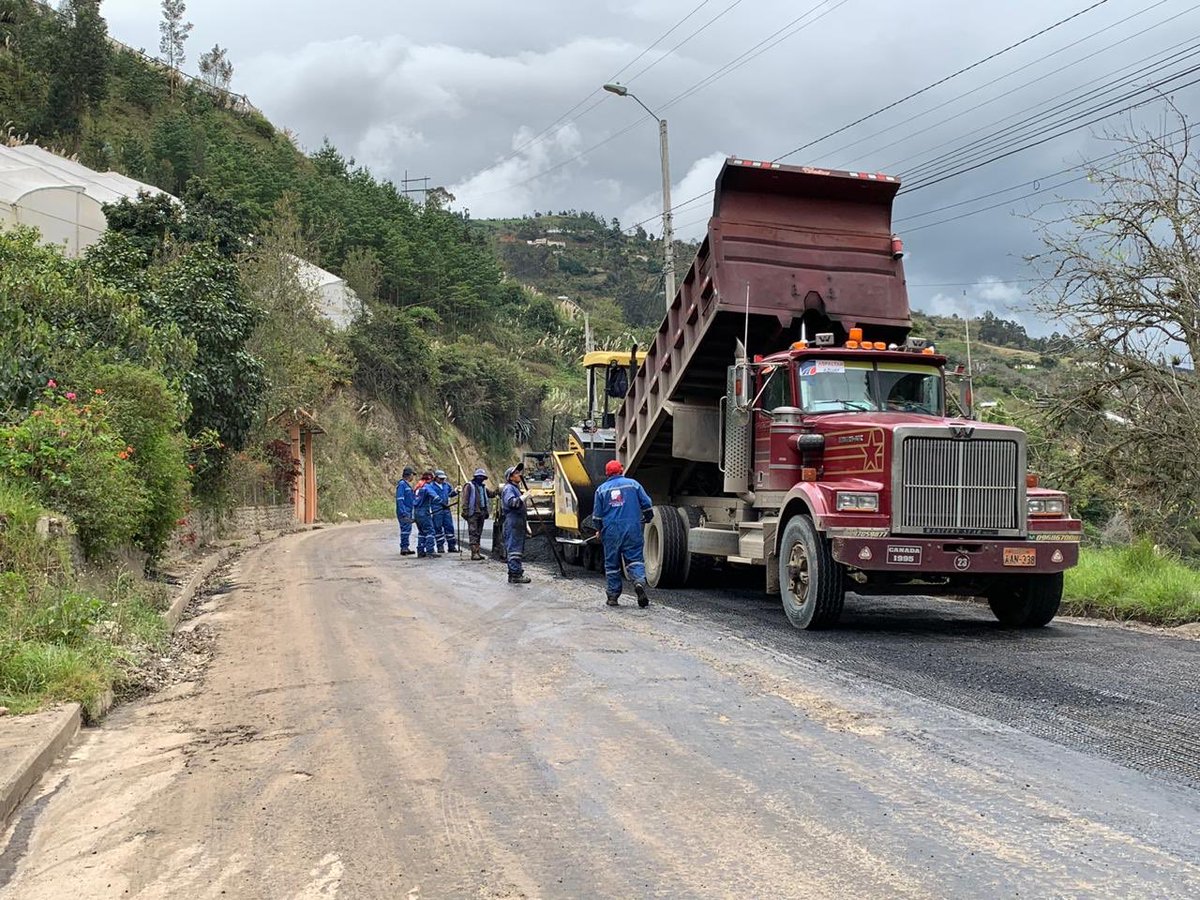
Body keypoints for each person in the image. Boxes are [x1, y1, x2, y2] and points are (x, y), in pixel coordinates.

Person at [593, 459, 653, 608]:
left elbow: (597, 515)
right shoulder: (633, 484)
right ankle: (639, 582)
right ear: (621, 470)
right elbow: (647, 503)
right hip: (632, 527)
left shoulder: (601, 490)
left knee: (612, 564)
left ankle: (613, 596)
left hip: (611, 530)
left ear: (607, 474)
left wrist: (598, 529)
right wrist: (648, 517)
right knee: (634, 559)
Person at [500, 464, 530, 584]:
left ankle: (516, 572)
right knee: (514, 549)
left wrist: (526, 524)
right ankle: (515, 575)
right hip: (513, 521)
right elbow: (512, 503)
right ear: (510, 477)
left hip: (518, 521)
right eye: (516, 473)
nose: (519, 475)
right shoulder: (509, 489)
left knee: (517, 548)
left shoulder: (515, 488)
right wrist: (524, 497)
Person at [462, 468, 494, 561]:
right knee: (473, 532)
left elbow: (491, 494)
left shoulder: (483, 487)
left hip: (482, 512)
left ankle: (477, 552)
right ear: (475, 477)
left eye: (482, 477)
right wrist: (465, 511)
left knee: (479, 533)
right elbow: (465, 499)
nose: (481, 478)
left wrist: (499, 490)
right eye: (479, 476)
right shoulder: (469, 486)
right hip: (473, 512)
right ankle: (474, 553)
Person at [413, 469, 440, 559]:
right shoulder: (426, 486)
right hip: (424, 512)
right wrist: (442, 503)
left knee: (421, 532)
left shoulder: (418, 485)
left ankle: (420, 551)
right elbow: (435, 497)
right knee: (430, 531)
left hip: (416, 511)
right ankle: (430, 550)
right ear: (430, 479)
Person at [431, 469, 459, 554]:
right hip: (437, 509)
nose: (442, 480)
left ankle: (452, 546)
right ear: (436, 478)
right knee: (438, 527)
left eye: (443, 478)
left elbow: (450, 494)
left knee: (449, 527)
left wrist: (456, 491)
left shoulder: (446, 485)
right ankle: (440, 546)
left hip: (446, 509)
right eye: (440, 478)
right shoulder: (431, 486)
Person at [395, 466, 416, 556]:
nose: (413, 477)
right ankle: (404, 547)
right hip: (404, 511)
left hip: (408, 510)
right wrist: (403, 512)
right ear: (409, 475)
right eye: (412, 475)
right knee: (405, 529)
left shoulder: (406, 485)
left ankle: (406, 547)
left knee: (407, 529)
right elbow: (400, 499)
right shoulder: (402, 485)